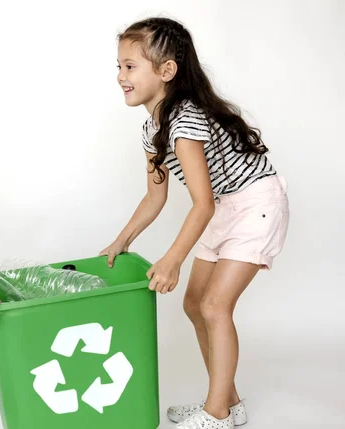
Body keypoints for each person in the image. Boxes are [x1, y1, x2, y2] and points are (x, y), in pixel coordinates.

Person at [100, 17, 289, 429]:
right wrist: (121, 241)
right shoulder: (153, 127)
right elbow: (156, 196)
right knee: (193, 304)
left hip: (256, 204)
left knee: (214, 305)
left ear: (166, 71)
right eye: (118, 66)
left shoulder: (185, 119)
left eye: (130, 66)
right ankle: (226, 402)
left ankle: (216, 413)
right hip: (225, 207)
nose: (120, 76)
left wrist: (172, 259)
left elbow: (200, 204)